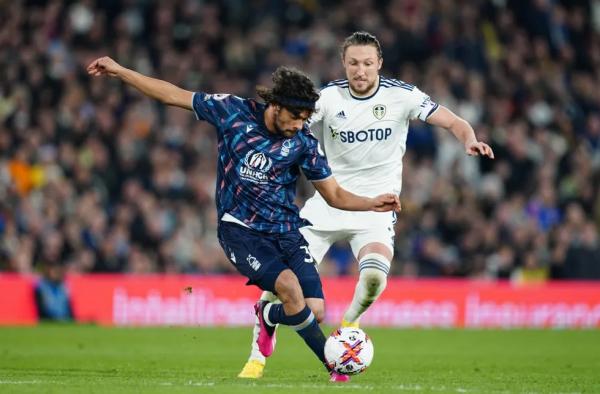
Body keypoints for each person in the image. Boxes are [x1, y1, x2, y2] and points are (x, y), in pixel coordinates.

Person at [86, 57, 400, 381]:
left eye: (305, 118)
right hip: (241, 229)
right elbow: (171, 94)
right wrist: (122, 72)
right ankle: (333, 365)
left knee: (315, 311)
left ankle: (267, 314)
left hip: (286, 231)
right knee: (289, 287)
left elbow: (334, 195)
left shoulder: (304, 143)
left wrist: (371, 203)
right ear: (276, 105)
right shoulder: (232, 113)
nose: (298, 124)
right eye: (295, 116)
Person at [239, 31, 495, 379]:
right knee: (280, 286)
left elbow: (452, 120)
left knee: (374, 278)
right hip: (327, 203)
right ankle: (258, 351)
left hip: (375, 207)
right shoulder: (327, 98)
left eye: (368, 63)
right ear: (344, 64)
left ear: (379, 64)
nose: (361, 70)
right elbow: (288, 125)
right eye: (354, 63)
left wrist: (470, 139)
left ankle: (349, 326)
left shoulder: (402, 96)